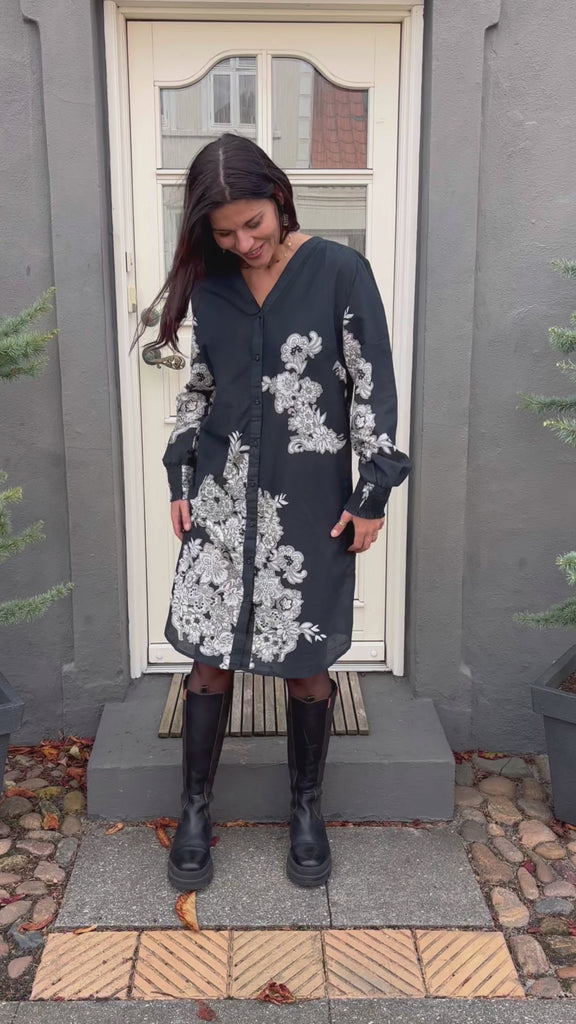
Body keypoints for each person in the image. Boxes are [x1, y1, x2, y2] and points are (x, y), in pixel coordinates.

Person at [145, 133, 411, 892]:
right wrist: (181, 477)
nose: (245, 243)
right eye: (226, 232)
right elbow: (201, 388)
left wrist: (372, 493)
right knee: (206, 655)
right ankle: (195, 810)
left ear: (280, 199)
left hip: (309, 501)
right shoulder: (212, 286)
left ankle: (305, 810)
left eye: (253, 224)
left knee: (306, 662)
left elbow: (372, 384)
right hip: (222, 499)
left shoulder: (339, 272)